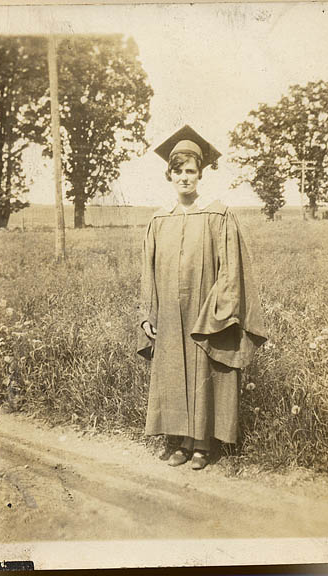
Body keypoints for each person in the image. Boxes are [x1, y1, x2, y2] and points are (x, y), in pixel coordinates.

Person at [137, 125, 267, 470]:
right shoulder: (158, 220)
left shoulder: (218, 215)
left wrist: (220, 309)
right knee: (172, 372)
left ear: (200, 173)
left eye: (190, 171)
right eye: (177, 171)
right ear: (170, 174)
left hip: (203, 309)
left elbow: (232, 269)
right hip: (168, 312)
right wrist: (147, 312)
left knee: (200, 372)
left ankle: (201, 444)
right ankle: (178, 440)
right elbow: (147, 272)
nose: (184, 177)